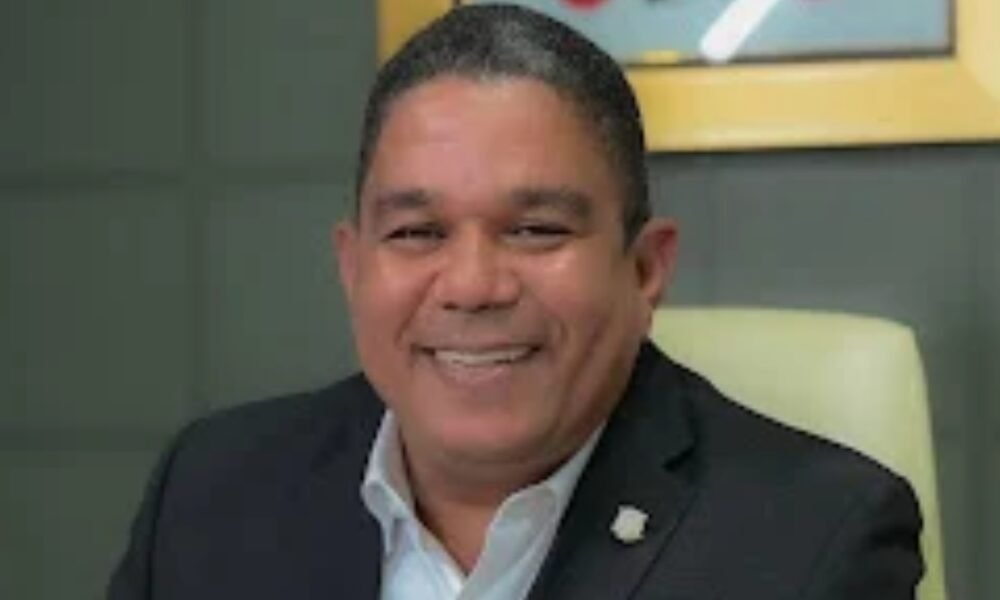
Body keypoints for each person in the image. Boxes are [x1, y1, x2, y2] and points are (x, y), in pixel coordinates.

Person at [107, 4, 923, 599]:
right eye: (417, 233)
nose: (472, 286)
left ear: (645, 269)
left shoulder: (815, 540)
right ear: (352, 268)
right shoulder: (213, 492)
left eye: (535, 230)